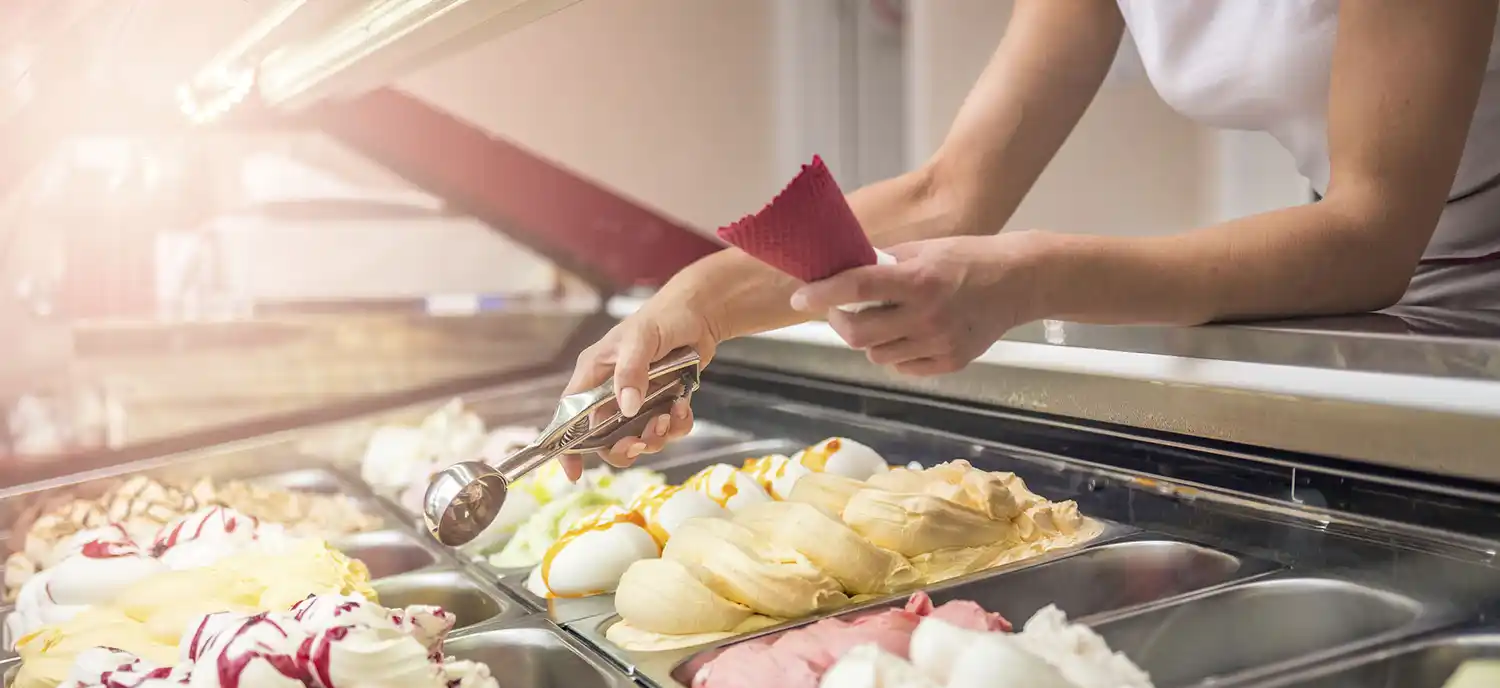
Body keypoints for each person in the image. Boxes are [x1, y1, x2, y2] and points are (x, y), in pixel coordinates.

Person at [561, 0, 1500, 479]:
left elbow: (1370, 233)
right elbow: (953, 191)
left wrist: (1030, 277)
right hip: (1392, 316)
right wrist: (699, 301)